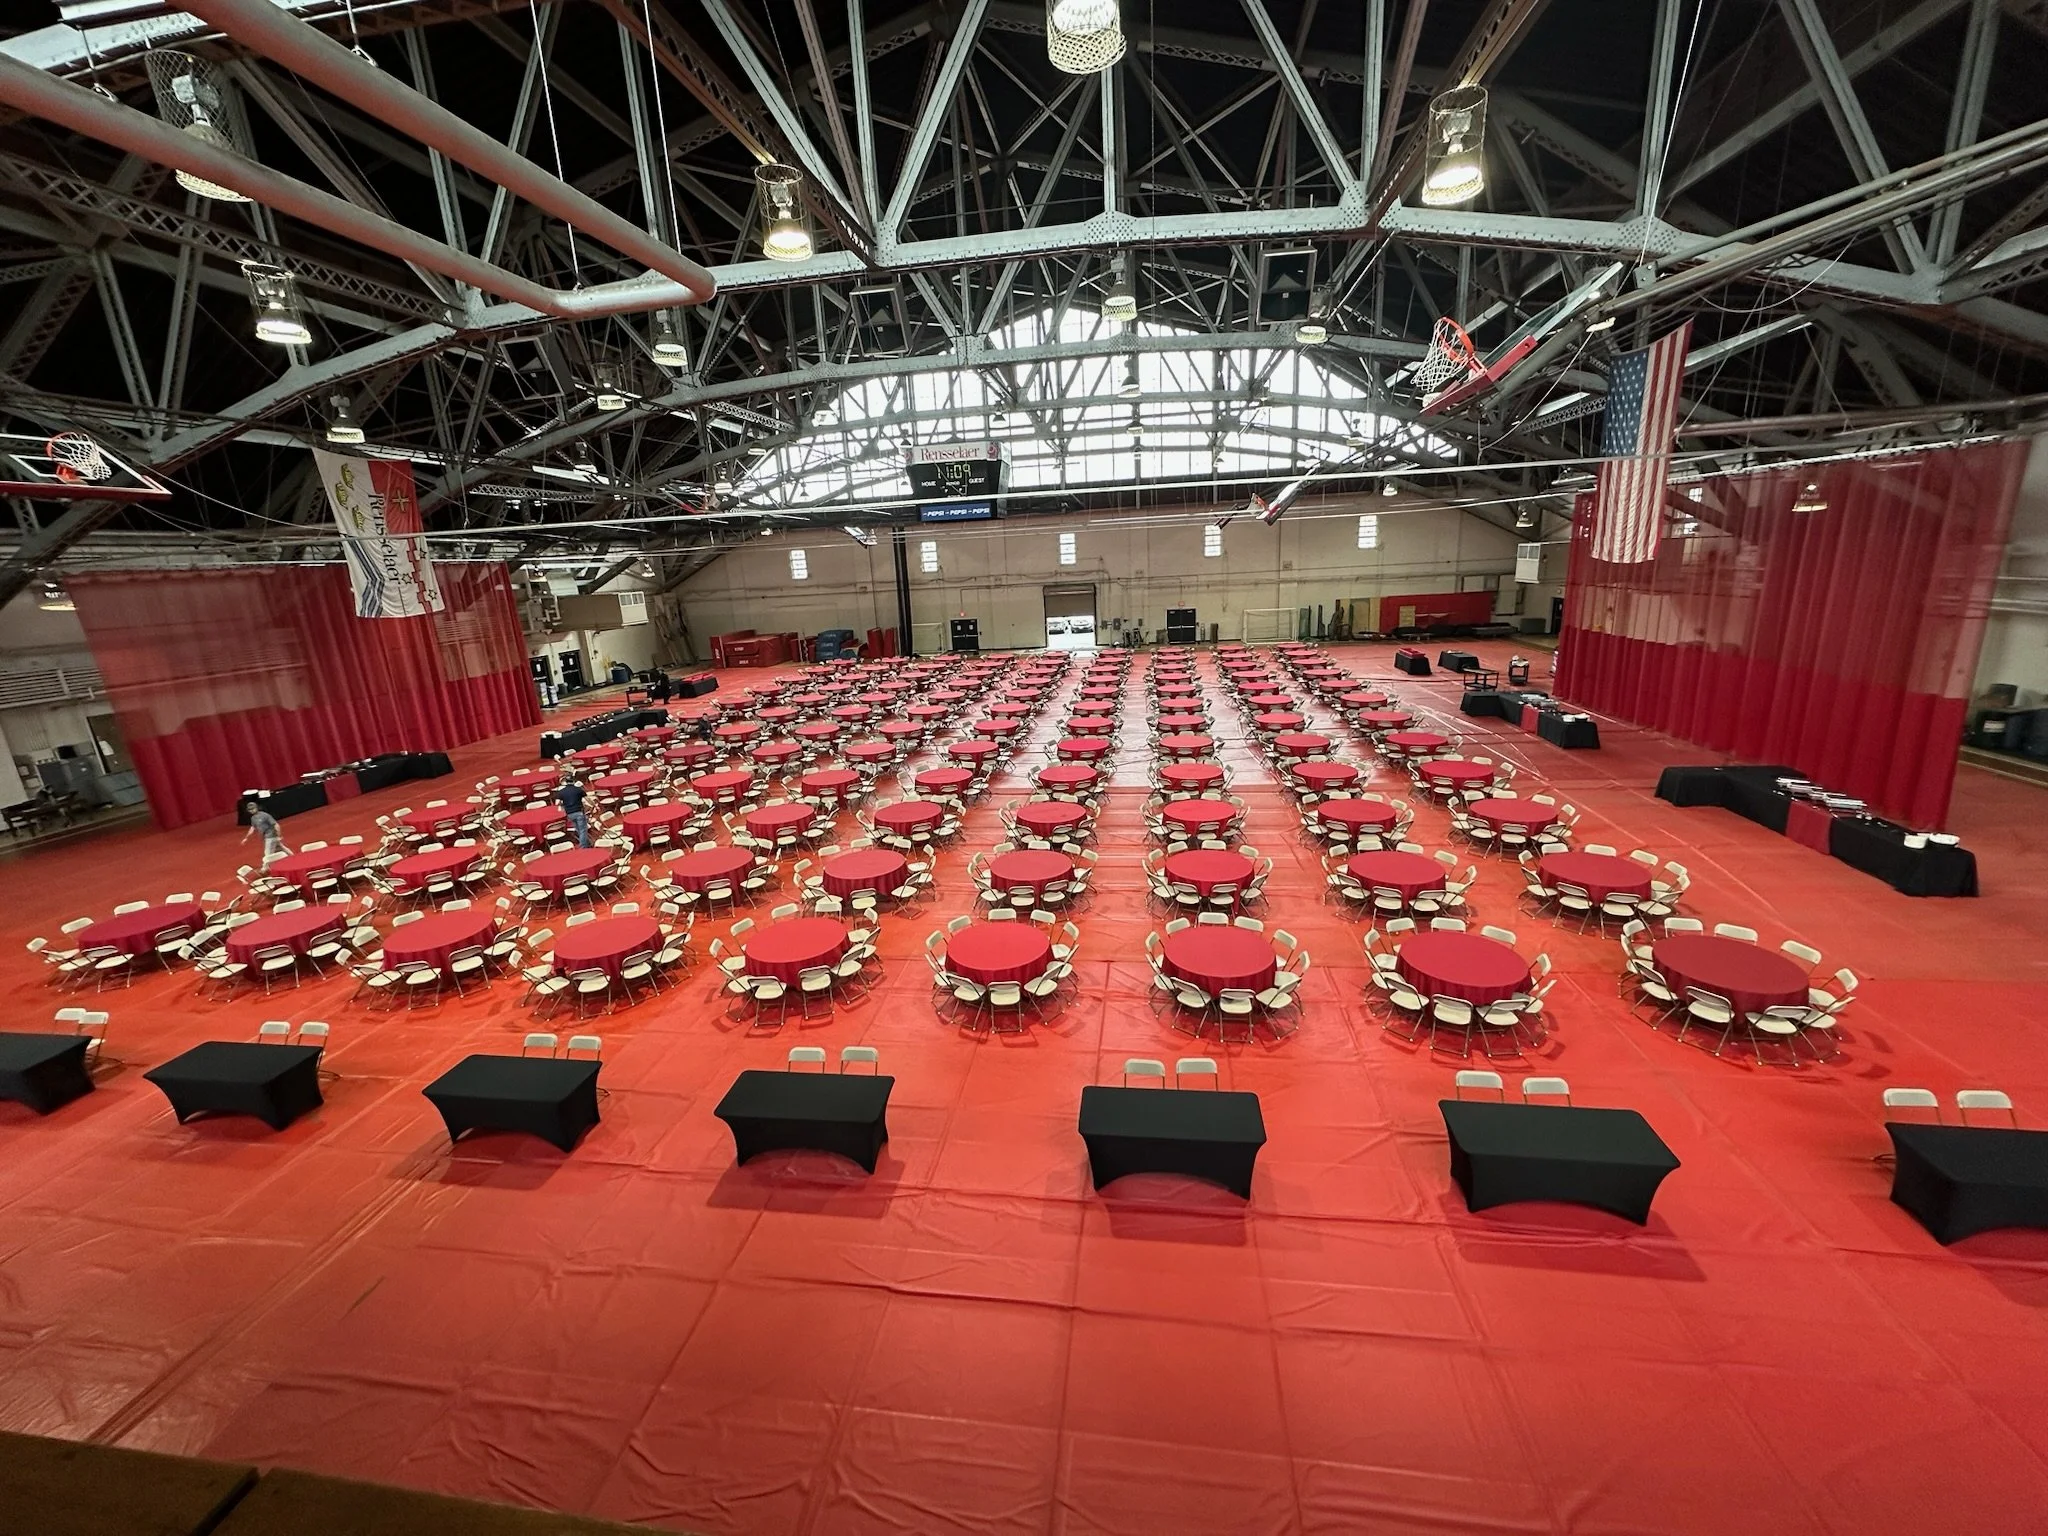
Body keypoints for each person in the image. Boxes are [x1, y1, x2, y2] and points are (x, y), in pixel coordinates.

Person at [241, 798, 290, 870]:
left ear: (257, 808)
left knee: (268, 853)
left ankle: (264, 868)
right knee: (281, 848)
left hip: (271, 836)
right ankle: (293, 857)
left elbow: (276, 825)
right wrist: (246, 838)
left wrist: (279, 835)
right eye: (250, 810)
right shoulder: (253, 818)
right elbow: (253, 828)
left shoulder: (265, 815)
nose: (252, 811)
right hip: (265, 837)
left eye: (253, 809)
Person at [557, 775, 590, 848]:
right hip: (579, 812)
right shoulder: (578, 790)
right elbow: (588, 799)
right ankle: (583, 846)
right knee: (583, 830)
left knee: (578, 829)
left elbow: (557, 803)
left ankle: (586, 843)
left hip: (569, 814)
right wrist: (595, 805)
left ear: (565, 782)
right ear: (574, 781)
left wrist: (564, 805)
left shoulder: (561, 792)